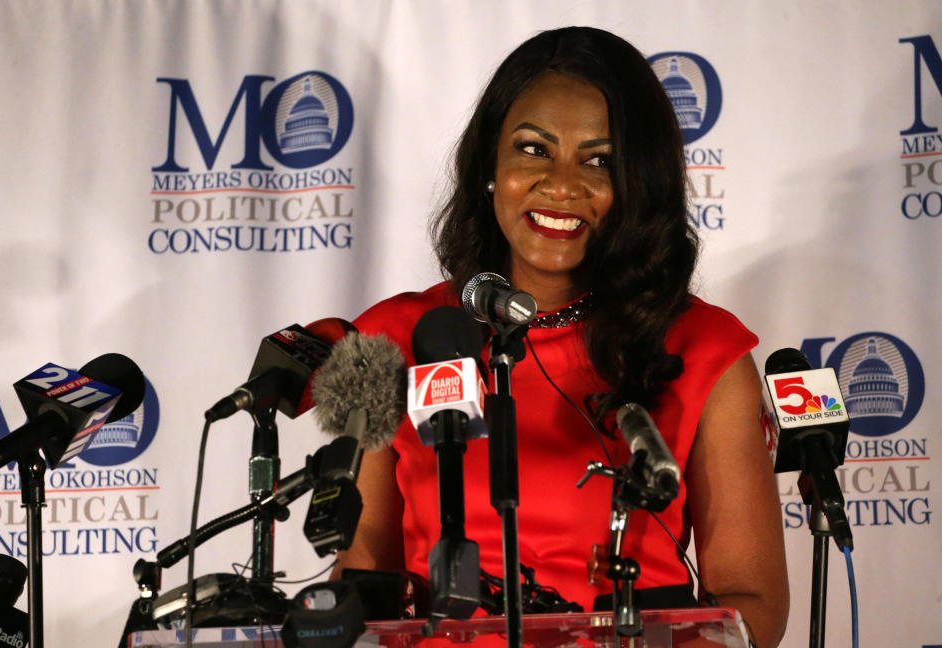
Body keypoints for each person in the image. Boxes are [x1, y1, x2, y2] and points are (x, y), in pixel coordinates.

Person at [335, 26, 789, 648]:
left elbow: (752, 601)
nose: (562, 185)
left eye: (599, 160)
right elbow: (365, 584)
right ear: (489, 165)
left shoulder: (704, 349)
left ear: (637, 185)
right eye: (533, 149)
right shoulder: (390, 337)